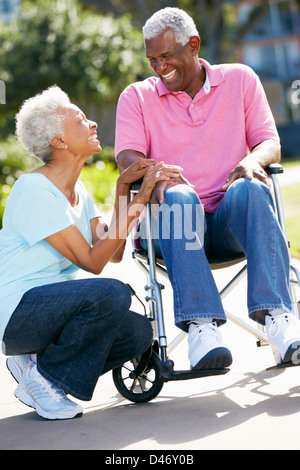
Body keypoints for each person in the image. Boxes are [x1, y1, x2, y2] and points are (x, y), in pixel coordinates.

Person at [115, 7, 300, 371]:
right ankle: (202, 329)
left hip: (228, 225)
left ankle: (279, 319)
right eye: (152, 59)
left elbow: (268, 142)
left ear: (194, 46)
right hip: (172, 226)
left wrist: (253, 161)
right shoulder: (136, 97)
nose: (159, 67)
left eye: (166, 56)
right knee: (180, 197)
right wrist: (158, 173)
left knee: (249, 187)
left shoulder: (241, 80)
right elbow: (127, 156)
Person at [0, 85, 183, 420]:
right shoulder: (35, 190)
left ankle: (39, 367)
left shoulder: (78, 191)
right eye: (81, 120)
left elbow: (111, 250)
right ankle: (43, 379)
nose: (93, 124)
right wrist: (138, 200)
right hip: (17, 312)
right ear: (59, 141)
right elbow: (93, 262)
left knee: (137, 332)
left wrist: (124, 191)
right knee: (110, 293)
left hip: (51, 310)